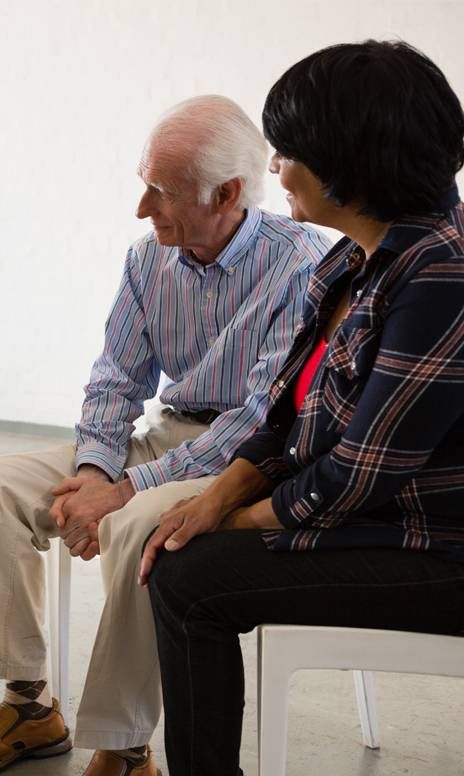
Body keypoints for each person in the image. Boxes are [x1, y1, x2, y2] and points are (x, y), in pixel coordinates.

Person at [0, 96, 330, 776]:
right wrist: (93, 472)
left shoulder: (303, 265)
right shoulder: (148, 261)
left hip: (244, 462)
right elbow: (115, 379)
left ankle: (123, 745)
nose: (143, 208)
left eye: (161, 191)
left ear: (228, 193)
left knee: (143, 520)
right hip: (164, 439)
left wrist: (124, 491)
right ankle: (29, 705)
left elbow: (259, 418)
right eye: (143, 184)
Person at [141, 40, 464, 776]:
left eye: (288, 152)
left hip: (440, 549)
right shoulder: (353, 257)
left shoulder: (443, 270)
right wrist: (218, 494)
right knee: (182, 548)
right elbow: (286, 414)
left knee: (188, 581)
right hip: (385, 519)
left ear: (352, 163)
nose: (275, 170)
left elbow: (358, 472)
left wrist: (235, 518)